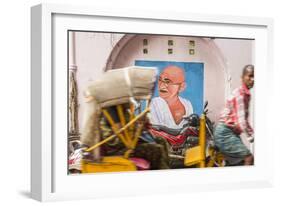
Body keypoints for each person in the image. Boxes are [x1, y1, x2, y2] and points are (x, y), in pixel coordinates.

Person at [214, 64, 254, 165]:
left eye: (254, 77)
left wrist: (252, 133)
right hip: (225, 132)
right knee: (248, 157)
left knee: (236, 163)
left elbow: (244, 120)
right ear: (242, 77)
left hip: (230, 132)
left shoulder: (246, 94)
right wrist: (251, 136)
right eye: (250, 76)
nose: (253, 79)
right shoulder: (240, 94)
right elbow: (242, 122)